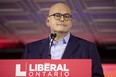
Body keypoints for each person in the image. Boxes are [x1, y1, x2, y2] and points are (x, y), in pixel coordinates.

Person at [22, 3, 104, 77]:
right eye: (57, 15)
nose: (62, 19)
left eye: (66, 16)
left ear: (71, 22)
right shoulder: (32, 49)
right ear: (48, 21)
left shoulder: (88, 48)